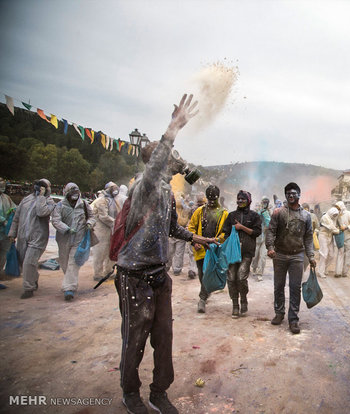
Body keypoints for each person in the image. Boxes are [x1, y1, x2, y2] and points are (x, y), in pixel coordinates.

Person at [114, 94, 215, 414]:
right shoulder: (144, 185)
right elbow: (157, 160)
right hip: (134, 277)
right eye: (172, 156)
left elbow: (172, 228)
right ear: (160, 159)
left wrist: (198, 237)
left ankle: (159, 392)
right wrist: (174, 127)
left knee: (164, 337)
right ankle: (131, 393)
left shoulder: (168, 193)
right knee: (134, 339)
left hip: (159, 276)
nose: (179, 160)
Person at [266, 182, 316, 334]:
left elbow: (308, 238)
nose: (291, 196)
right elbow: (271, 231)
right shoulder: (278, 213)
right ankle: (279, 313)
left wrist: (311, 256)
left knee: (295, 288)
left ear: (299, 195)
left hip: (297, 255)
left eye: (293, 193)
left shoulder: (306, 216)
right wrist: (270, 247)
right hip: (280, 255)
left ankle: (293, 319)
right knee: (278, 286)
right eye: (288, 193)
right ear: (285, 195)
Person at [8, 179, 55, 299]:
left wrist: (41, 196)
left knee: (29, 262)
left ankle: (28, 288)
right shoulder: (26, 199)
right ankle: (33, 279)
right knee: (24, 262)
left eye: (44, 186)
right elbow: (16, 218)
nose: (40, 188)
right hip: (23, 237)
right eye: (39, 185)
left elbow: (41, 212)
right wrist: (12, 233)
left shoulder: (49, 202)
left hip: (38, 237)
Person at [51, 183, 96, 301]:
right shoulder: (60, 206)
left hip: (79, 239)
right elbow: (55, 220)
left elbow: (92, 217)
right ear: (66, 193)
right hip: (63, 239)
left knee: (73, 263)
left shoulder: (84, 204)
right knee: (64, 263)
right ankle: (69, 282)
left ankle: (69, 289)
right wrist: (66, 229)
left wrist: (89, 224)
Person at [187, 185, 228, 313]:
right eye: (209, 199)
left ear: (218, 198)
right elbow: (191, 228)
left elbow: (225, 232)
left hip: (214, 250)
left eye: (213, 199)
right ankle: (205, 292)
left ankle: (202, 299)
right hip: (200, 249)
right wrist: (194, 242)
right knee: (201, 274)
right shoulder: (199, 211)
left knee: (207, 274)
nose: (211, 202)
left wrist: (217, 242)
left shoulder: (224, 213)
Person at [221, 191, 262, 318]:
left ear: (248, 200)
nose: (240, 201)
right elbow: (225, 233)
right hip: (233, 253)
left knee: (241, 277)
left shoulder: (254, 216)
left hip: (247, 253)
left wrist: (241, 227)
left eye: (243, 199)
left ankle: (243, 298)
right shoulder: (231, 215)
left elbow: (257, 232)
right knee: (231, 278)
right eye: (238, 199)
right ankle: (235, 305)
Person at [91, 181, 122, 281]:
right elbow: (103, 216)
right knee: (100, 252)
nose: (115, 190)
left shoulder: (115, 201)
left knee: (111, 251)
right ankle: (98, 273)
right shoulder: (101, 201)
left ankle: (108, 271)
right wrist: (116, 222)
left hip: (113, 230)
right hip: (102, 230)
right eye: (113, 188)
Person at [167, 194, 192, 276]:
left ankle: (175, 268)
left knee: (176, 252)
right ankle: (172, 267)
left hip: (178, 233)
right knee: (174, 252)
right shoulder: (174, 210)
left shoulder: (184, 210)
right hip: (175, 233)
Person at [334, 201, 350, 278]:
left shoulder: (349, 214)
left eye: (338, 208)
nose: (337, 209)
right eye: (336, 208)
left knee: (348, 255)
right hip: (342, 237)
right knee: (340, 254)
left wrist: (347, 227)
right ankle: (338, 272)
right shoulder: (337, 216)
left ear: (342, 207)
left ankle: (344, 272)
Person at [0, 178, 16, 279]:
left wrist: (14, 211)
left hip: (5, 232)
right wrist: (3, 220)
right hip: (3, 226)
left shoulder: (6, 198)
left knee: (3, 254)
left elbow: (14, 207)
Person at [251, 196, 271, 281]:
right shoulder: (257, 212)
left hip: (265, 238)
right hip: (257, 237)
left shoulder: (269, 212)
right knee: (255, 256)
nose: (265, 204)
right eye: (264, 202)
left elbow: (270, 224)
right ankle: (254, 267)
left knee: (263, 257)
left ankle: (260, 273)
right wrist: (259, 214)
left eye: (266, 202)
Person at [317, 207, 340, 279]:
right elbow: (332, 228)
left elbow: (334, 228)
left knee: (332, 255)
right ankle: (321, 271)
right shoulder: (325, 217)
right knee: (324, 254)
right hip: (323, 236)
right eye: (334, 214)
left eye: (336, 215)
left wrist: (337, 229)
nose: (335, 216)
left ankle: (325, 269)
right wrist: (338, 230)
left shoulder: (333, 219)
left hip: (330, 237)